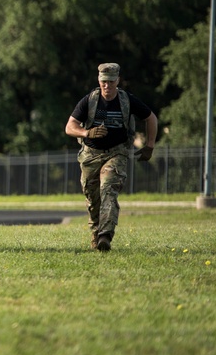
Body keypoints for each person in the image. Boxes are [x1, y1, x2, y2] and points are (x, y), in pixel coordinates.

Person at [65, 62, 157, 252]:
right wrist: (86, 133)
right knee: (93, 199)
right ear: (99, 81)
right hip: (90, 155)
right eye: (104, 82)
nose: (107, 86)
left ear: (118, 81)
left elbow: (151, 118)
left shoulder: (127, 100)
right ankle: (96, 234)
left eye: (111, 82)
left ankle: (105, 235)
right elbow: (69, 127)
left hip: (117, 152)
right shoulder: (89, 100)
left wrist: (149, 146)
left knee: (108, 188)